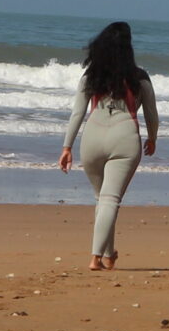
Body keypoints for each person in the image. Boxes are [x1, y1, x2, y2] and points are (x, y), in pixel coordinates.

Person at [58, 21, 159, 272]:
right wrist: (153, 137)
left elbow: (77, 114)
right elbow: (152, 114)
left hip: (92, 137)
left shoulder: (90, 76)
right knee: (110, 199)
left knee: (102, 199)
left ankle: (108, 255)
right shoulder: (140, 77)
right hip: (124, 136)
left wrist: (67, 147)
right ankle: (94, 258)